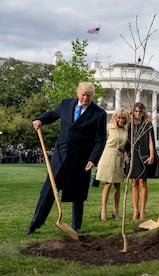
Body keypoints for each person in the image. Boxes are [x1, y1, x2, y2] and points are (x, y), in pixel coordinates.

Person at [24, 82, 107, 235]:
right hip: (60, 156)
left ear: (92, 96)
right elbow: (52, 114)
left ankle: (76, 226)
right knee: (48, 189)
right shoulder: (66, 104)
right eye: (83, 94)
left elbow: (100, 140)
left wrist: (93, 159)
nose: (85, 98)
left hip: (81, 159)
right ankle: (35, 223)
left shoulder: (99, 114)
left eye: (89, 95)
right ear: (77, 93)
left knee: (78, 193)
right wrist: (40, 119)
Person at [125, 102, 159, 221]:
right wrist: (126, 155)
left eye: (140, 111)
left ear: (143, 112)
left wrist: (151, 155)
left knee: (142, 182)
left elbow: (151, 141)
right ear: (133, 112)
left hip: (145, 155)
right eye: (135, 111)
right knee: (134, 182)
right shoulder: (129, 125)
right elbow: (126, 142)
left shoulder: (147, 125)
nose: (138, 114)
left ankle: (143, 210)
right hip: (133, 156)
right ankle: (135, 210)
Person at [96, 108, 130, 221]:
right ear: (115, 118)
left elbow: (126, 145)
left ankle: (116, 211)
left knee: (117, 185)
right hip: (108, 156)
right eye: (119, 118)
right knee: (108, 183)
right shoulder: (108, 128)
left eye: (123, 118)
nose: (121, 120)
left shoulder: (125, 130)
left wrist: (125, 155)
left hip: (119, 158)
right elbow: (100, 142)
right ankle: (103, 210)